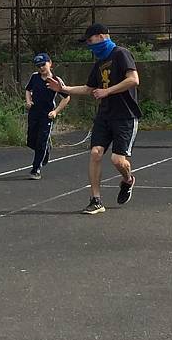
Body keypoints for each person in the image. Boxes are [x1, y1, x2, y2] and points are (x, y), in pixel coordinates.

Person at [46, 24, 141, 214]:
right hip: (104, 115)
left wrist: (108, 91)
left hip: (124, 116)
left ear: (100, 37)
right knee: (96, 153)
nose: (89, 46)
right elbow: (89, 88)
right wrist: (64, 89)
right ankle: (95, 200)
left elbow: (133, 80)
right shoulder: (98, 64)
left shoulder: (121, 54)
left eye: (90, 41)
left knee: (117, 160)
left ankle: (128, 180)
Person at [25, 52, 70, 180]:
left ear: (50, 63)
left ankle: (36, 169)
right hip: (34, 112)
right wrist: (28, 101)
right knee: (31, 141)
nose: (41, 68)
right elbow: (28, 90)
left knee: (41, 141)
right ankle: (46, 149)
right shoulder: (34, 77)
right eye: (38, 66)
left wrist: (56, 111)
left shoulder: (56, 80)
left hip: (47, 115)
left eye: (43, 65)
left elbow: (66, 97)